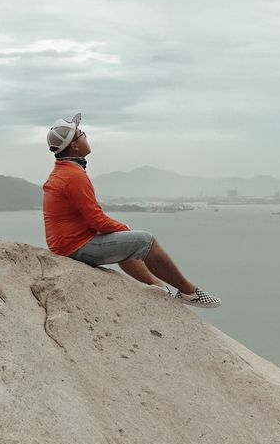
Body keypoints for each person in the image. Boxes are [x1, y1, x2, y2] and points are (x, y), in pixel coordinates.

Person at [42, 113, 221, 308]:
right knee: (145, 240)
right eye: (81, 133)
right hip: (75, 247)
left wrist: (120, 232)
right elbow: (97, 221)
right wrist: (124, 228)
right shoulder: (73, 176)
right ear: (75, 146)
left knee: (127, 242)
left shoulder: (64, 171)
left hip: (66, 244)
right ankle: (189, 292)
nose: (85, 136)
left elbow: (93, 220)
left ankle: (159, 287)